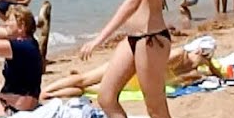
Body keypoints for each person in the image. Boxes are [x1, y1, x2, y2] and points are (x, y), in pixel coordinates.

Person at [42, 40, 221, 100]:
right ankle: (52, 95)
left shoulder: (180, 54)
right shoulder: (195, 72)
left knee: (84, 79)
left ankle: (45, 91)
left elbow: (152, 62)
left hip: (134, 71)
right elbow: (217, 72)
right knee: (86, 89)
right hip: (137, 85)